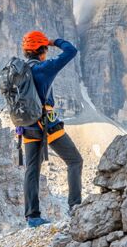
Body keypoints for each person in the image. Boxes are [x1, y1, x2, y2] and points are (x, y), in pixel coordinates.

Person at [18, 30, 83, 227]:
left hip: (27, 126)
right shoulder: (44, 68)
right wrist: (54, 41)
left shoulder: (20, 71)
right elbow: (71, 50)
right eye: (45, 47)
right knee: (74, 161)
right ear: (42, 50)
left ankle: (33, 217)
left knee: (32, 170)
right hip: (47, 125)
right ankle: (75, 208)